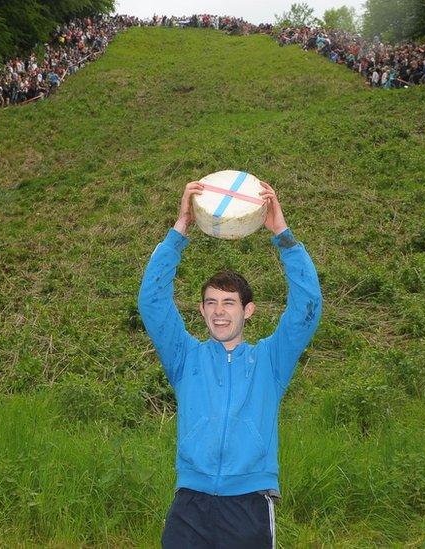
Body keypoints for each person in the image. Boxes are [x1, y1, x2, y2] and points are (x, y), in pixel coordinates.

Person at [139, 180, 322, 548]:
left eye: (229, 303)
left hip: (249, 502)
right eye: (211, 303)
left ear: (248, 310)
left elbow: (306, 307)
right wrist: (180, 228)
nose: (219, 312)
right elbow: (152, 302)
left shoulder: (270, 361)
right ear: (202, 310)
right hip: (190, 501)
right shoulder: (185, 357)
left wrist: (282, 235)